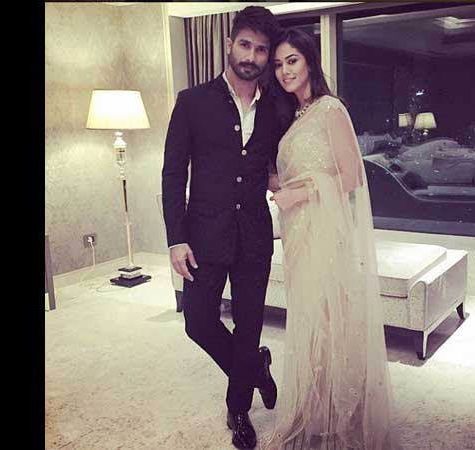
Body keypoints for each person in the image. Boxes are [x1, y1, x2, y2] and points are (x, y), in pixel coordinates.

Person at [263, 28, 396, 450]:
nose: (285, 71)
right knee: (307, 316)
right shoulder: (294, 116)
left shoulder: (329, 110)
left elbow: (352, 176)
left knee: (328, 317)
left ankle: (337, 415)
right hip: (298, 230)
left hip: (324, 230)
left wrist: (298, 194)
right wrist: (274, 183)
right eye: (279, 64)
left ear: (309, 61)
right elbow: (300, 172)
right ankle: (312, 407)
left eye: (292, 61)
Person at [161, 6, 285, 450]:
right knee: (198, 322)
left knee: (249, 325)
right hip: (201, 237)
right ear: (229, 44)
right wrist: (176, 238)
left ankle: (238, 410)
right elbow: (173, 173)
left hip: (254, 236)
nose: (251, 56)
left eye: (261, 50)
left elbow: (282, 161)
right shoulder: (191, 101)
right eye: (245, 45)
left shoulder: (276, 107)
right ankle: (255, 369)